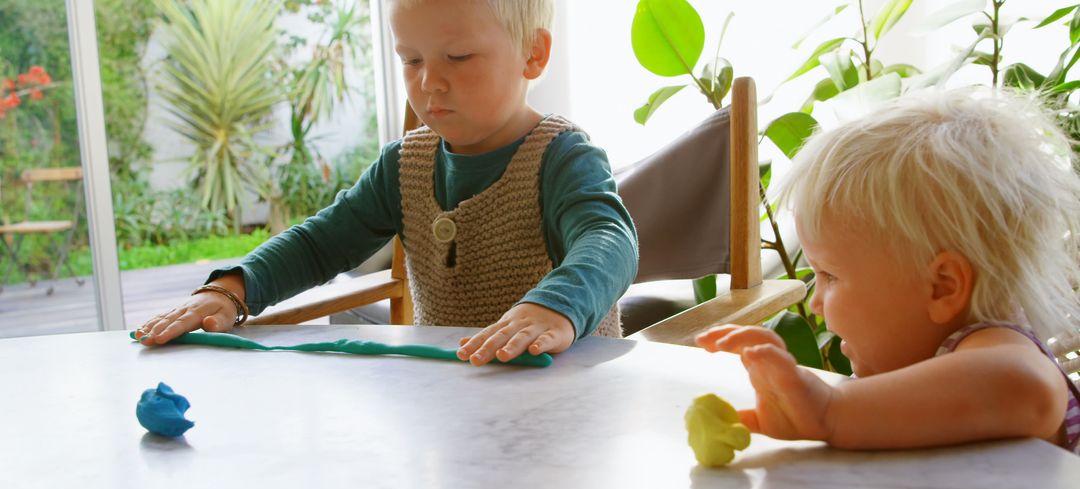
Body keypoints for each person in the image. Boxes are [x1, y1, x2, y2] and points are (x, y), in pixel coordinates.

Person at [135, 0, 637, 366]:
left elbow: (610, 241)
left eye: (458, 57)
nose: (429, 82)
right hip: (459, 400)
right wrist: (231, 290)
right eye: (411, 59)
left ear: (533, 54)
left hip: (569, 397)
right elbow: (319, 244)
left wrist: (557, 305)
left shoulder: (563, 157)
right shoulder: (404, 164)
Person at [695, 88, 1080, 453]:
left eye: (830, 276)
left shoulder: (994, 344)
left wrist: (832, 410)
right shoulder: (917, 374)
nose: (815, 303)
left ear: (942, 287)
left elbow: (1028, 389)